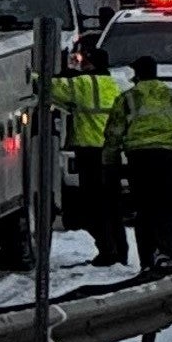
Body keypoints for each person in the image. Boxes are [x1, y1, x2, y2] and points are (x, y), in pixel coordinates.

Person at [104, 56, 172, 270]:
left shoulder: (128, 98)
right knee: (169, 208)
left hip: (140, 158)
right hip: (169, 157)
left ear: (137, 74)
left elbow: (113, 134)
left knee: (145, 209)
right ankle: (168, 255)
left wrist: (111, 164)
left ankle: (147, 260)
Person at [47, 44, 126, 265]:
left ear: (90, 63)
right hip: (112, 154)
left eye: (84, 62)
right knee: (112, 206)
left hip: (90, 153)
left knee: (93, 206)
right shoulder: (115, 84)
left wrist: (29, 72)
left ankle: (107, 252)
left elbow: (49, 86)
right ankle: (120, 251)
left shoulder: (84, 84)